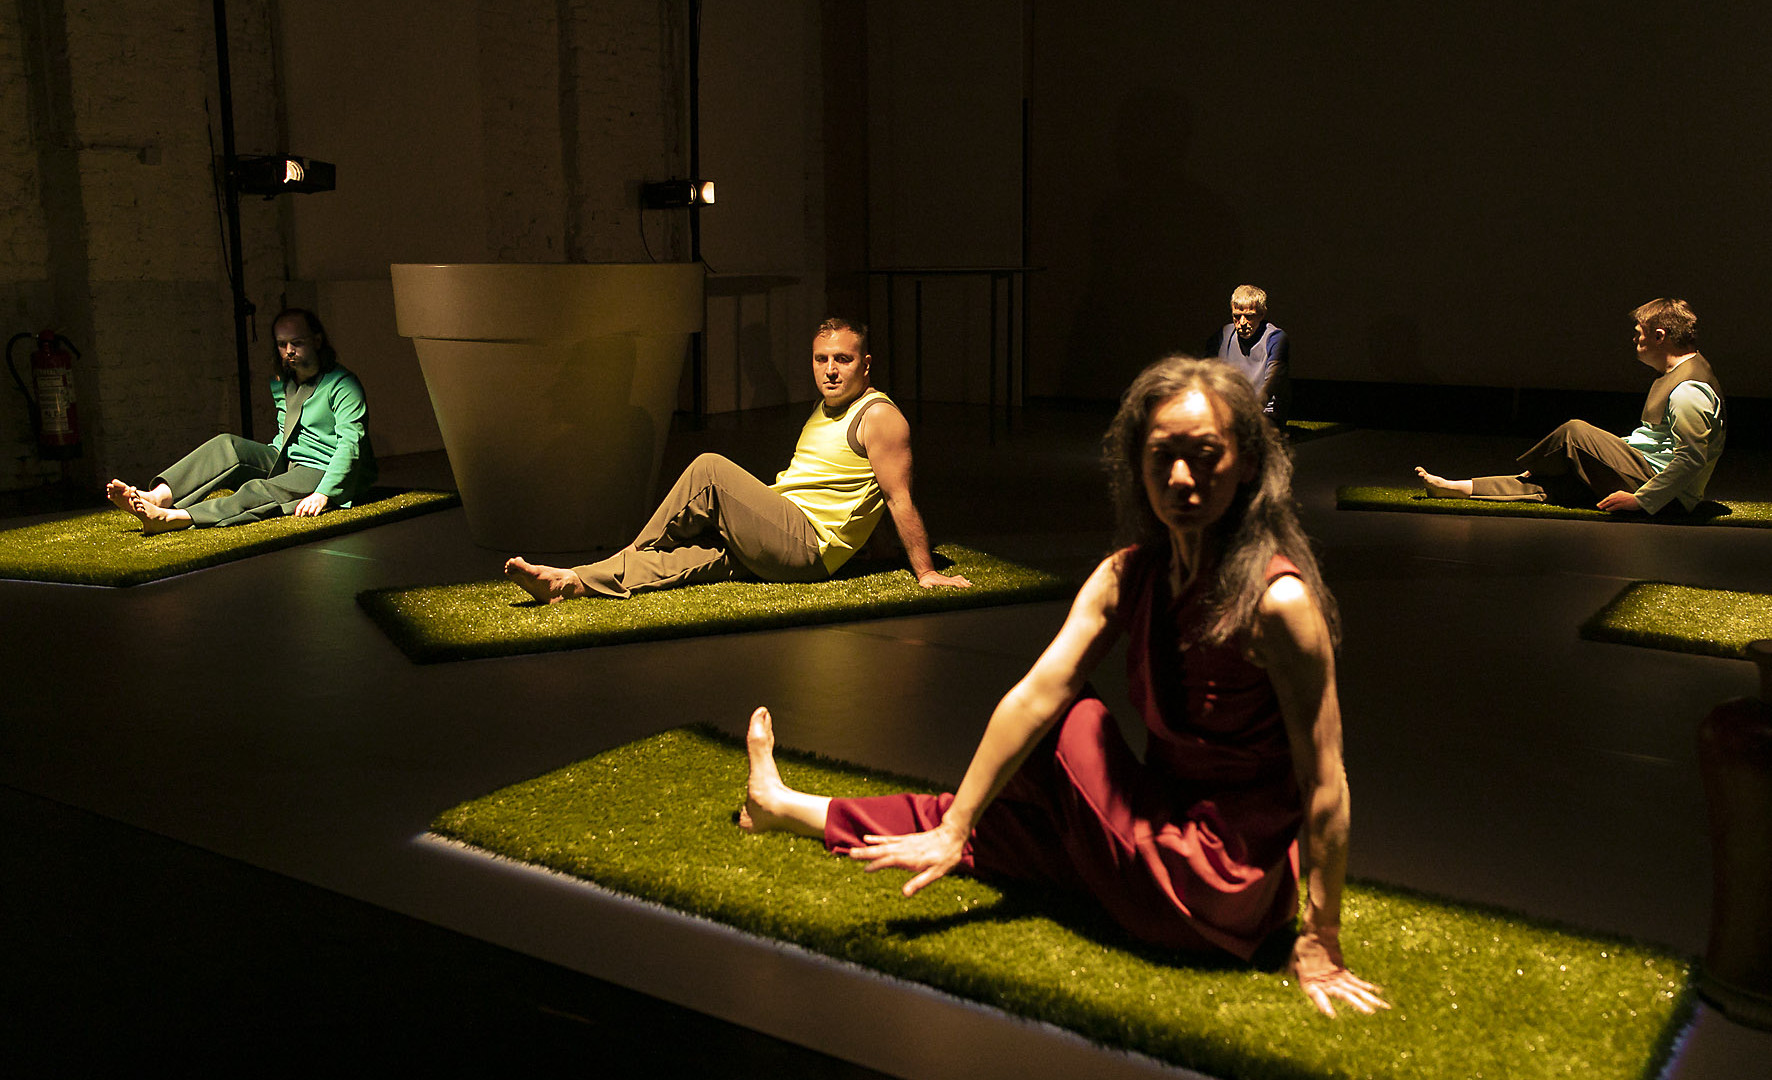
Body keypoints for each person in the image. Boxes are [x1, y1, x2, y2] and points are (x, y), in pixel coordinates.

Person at [740, 355, 1388, 1018]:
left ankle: (942, 825)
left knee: (1068, 719)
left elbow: (1325, 784)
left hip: (1213, 884)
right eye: (1162, 455)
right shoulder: (1129, 574)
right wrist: (961, 820)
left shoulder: (1278, 603)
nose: (1182, 478)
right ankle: (782, 805)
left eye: (1206, 455)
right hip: (1163, 845)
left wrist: (1321, 939)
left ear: (1248, 464)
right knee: (1008, 829)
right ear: (1138, 466)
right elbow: (1030, 693)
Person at [504, 318, 972, 601]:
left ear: (865, 364)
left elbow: (898, 497)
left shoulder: (880, 417)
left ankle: (622, 555)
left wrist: (926, 572)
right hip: (778, 532)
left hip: (804, 547)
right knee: (684, 562)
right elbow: (851, 490)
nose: (830, 370)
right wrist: (879, 551)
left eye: (843, 360)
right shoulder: (829, 405)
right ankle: (568, 582)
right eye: (821, 359)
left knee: (710, 468)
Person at [1415, 298, 1724, 514]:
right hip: (1646, 475)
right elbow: (1656, 443)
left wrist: (1642, 500)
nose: (1635, 340)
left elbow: (1690, 460)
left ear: (1660, 336)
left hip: (1665, 497)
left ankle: (1540, 463)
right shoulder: (1673, 377)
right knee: (1557, 487)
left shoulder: (1688, 390)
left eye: (1639, 334)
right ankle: (1457, 487)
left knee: (1574, 432)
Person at [107, 308, 377, 534]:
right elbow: (287, 432)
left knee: (259, 490)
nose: (289, 351)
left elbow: (351, 444)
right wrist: (267, 458)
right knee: (227, 446)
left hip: (322, 467)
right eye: (282, 344)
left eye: (298, 343)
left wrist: (324, 493)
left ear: (317, 341)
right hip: (287, 457)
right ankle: (159, 496)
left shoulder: (343, 384)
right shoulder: (283, 382)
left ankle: (173, 518)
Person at [1209, 284, 1289, 426]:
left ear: (1261, 314)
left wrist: (1249, 413)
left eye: (1249, 316)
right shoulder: (1223, 335)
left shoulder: (1275, 338)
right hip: (1230, 411)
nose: (1242, 322)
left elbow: (1273, 382)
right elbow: (1210, 375)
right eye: (1237, 316)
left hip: (1264, 413)